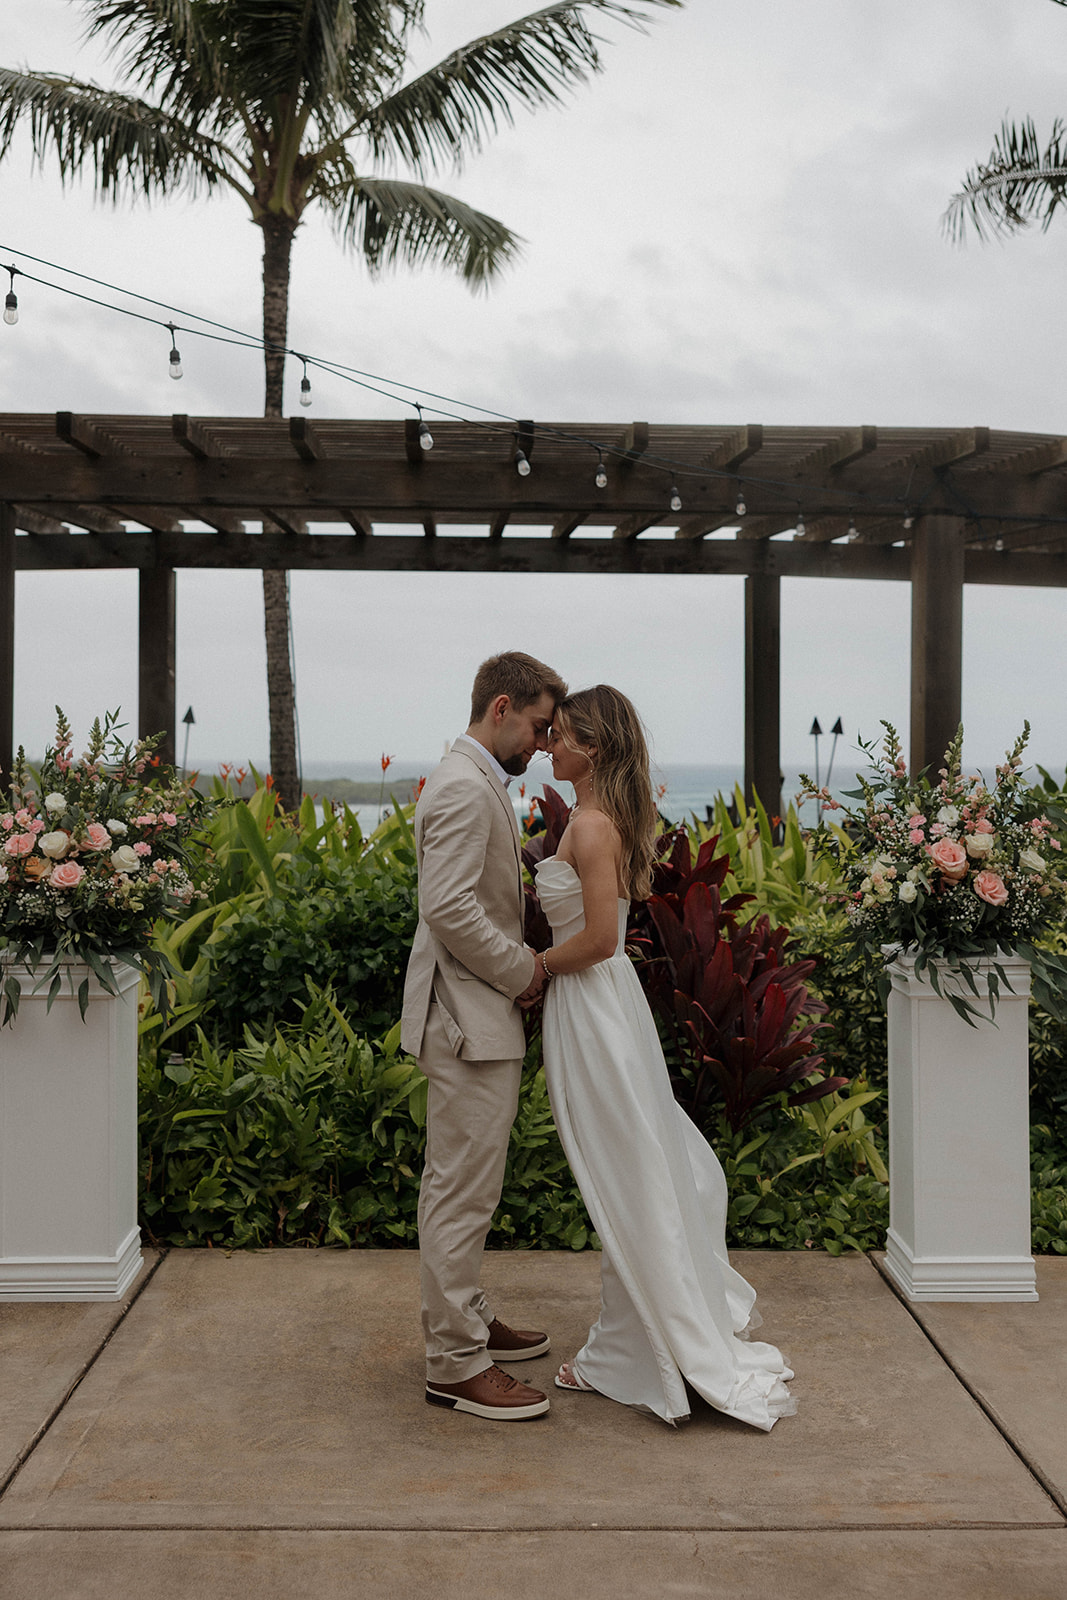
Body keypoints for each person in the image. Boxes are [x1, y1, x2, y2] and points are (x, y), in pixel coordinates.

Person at [533, 685, 797, 1430]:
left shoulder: (589, 826)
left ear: (593, 748)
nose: (549, 748)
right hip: (595, 1007)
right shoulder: (601, 820)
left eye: (560, 737)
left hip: (590, 1004)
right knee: (626, 1172)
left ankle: (635, 1350)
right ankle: (624, 1345)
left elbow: (597, 940)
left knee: (626, 1175)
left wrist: (534, 969)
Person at [401, 651, 568, 1421]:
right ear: (500, 707)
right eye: (537, 725)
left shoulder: (469, 778)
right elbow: (450, 910)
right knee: (460, 1194)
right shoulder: (466, 787)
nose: (542, 742)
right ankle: (454, 1363)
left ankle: (467, 1318)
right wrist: (524, 971)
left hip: (472, 1013)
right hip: (467, 1019)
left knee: (468, 1186)